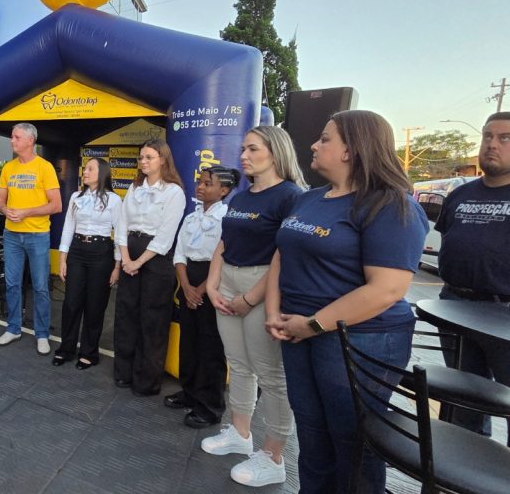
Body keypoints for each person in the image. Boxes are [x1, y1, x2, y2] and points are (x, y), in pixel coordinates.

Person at [267, 110, 427, 493]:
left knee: (354, 441)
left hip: (359, 340)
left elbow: (386, 289)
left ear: (350, 150)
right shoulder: (308, 198)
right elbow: (281, 255)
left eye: (325, 138)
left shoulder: (390, 205)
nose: (314, 144)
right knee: (311, 431)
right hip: (297, 332)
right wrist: (274, 312)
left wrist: (313, 324)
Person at [202, 125, 305, 488]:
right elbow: (224, 243)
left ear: (276, 152)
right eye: (243, 149)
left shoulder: (291, 196)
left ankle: (273, 456)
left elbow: (284, 255)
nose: (243, 155)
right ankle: (240, 433)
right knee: (239, 364)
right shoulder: (241, 197)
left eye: (252, 149)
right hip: (228, 280)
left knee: (271, 374)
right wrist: (212, 284)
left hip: (263, 285)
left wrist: (251, 298)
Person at [434, 111, 510, 445]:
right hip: (455, 305)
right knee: (464, 402)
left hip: (503, 313)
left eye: (505, 138)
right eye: (487, 136)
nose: (492, 144)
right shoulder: (460, 194)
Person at [166, 165, 239, 428]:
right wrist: (186, 286)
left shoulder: (227, 219)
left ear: (224, 190)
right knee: (189, 341)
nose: (200, 187)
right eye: (200, 181)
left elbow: (225, 258)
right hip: (189, 279)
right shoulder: (191, 218)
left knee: (211, 346)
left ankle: (210, 406)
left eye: (208, 183)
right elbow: (179, 254)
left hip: (214, 282)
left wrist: (202, 289)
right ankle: (189, 392)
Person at [114, 138, 186, 396]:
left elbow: (165, 237)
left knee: (153, 319)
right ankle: (123, 372)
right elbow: (121, 224)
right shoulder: (134, 188)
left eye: (148, 157)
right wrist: (125, 259)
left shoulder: (174, 192)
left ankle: (147, 381)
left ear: (162, 160)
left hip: (156, 258)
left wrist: (138, 262)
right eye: (141, 157)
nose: (143, 162)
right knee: (126, 314)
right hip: (130, 252)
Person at [0, 123, 62, 354]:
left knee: (41, 286)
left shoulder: (45, 167)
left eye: (16, 137)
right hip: (11, 234)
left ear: (30, 140)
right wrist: (5, 210)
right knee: (12, 283)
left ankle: (42, 334)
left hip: (37, 235)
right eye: (12, 137)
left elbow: (56, 205)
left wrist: (26, 212)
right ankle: (13, 328)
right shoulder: (8, 168)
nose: (12, 141)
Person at [53, 157, 122, 369]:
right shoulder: (76, 196)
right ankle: (66, 348)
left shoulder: (114, 200)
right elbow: (68, 228)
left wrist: (117, 266)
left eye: (90, 169)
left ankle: (89, 353)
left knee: (95, 305)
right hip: (77, 251)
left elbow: (120, 234)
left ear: (102, 173)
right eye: (85, 168)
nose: (85, 172)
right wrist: (62, 259)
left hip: (101, 253)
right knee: (71, 303)